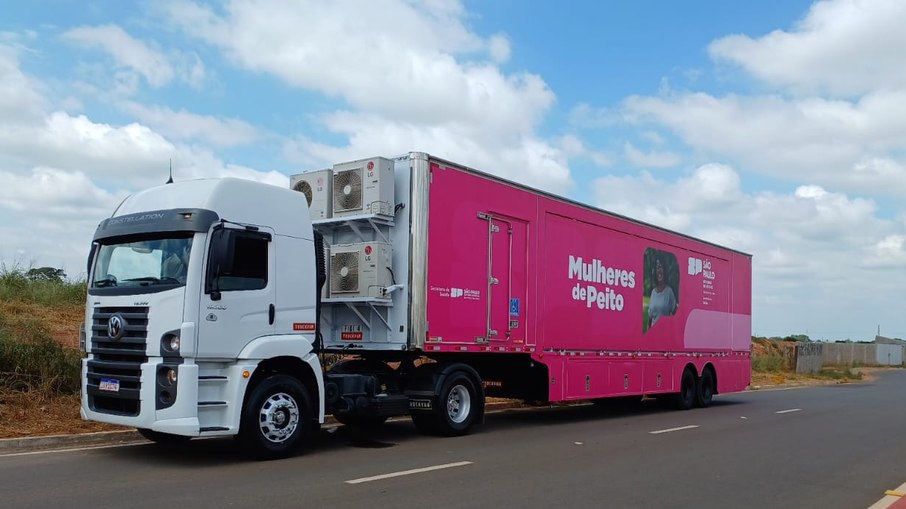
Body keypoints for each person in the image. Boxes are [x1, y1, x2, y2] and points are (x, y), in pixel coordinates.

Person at [648, 257, 676, 327]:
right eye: (657, 268)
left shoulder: (669, 292)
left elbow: (675, 316)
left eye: (660, 267)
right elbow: (650, 318)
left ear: (664, 270)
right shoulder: (653, 292)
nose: (659, 270)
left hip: (664, 334)